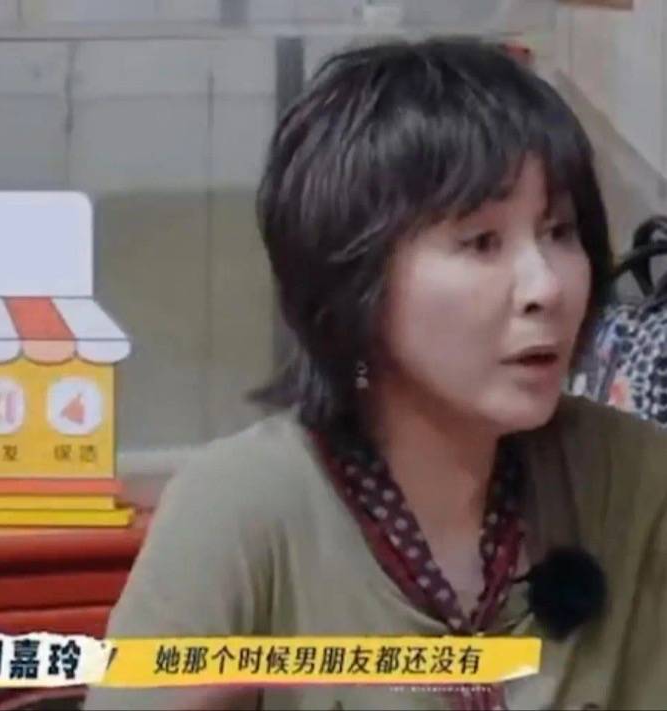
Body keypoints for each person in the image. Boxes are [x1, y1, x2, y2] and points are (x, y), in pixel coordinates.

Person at [85, 37, 667, 711]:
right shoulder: (241, 508)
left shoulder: (633, 476)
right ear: (355, 277)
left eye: (560, 232)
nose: (545, 286)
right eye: (482, 242)